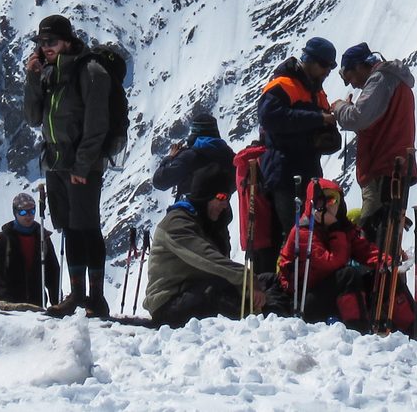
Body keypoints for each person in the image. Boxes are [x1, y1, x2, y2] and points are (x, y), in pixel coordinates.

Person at [23, 13, 112, 316]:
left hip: (81, 166)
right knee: (71, 229)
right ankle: (77, 295)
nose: (45, 47)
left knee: (88, 227)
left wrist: (82, 166)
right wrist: (33, 78)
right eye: (41, 42)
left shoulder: (90, 72)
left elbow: (96, 124)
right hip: (57, 164)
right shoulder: (49, 74)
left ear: (67, 41)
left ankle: (96, 298)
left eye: (51, 41)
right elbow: (34, 117)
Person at [276, 178, 414, 332]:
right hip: (305, 302)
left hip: (333, 294)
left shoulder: (342, 227)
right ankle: (358, 331)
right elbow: (333, 262)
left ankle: (414, 330)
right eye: (325, 200)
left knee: (384, 276)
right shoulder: (303, 233)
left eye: (334, 199)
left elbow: (364, 250)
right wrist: (335, 229)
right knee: (348, 275)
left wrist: (389, 262)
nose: (331, 205)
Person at [255, 37, 341, 267]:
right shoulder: (282, 85)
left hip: (308, 174)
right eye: (325, 66)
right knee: (292, 234)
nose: (327, 72)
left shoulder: (317, 93)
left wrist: (328, 129)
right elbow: (270, 118)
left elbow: (326, 132)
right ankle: (286, 288)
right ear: (310, 61)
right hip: (284, 173)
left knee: (308, 233)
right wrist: (317, 119)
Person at [332, 43, 417, 250]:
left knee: (374, 234)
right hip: (395, 167)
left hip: (383, 169)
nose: (353, 84)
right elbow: (375, 120)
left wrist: (339, 108)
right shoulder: (395, 81)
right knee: (388, 233)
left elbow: (359, 118)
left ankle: (375, 278)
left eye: (350, 77)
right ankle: (388, 276)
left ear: (360, 66)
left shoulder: (380, 79)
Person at [144, 166, 246, 327]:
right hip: (168, 305)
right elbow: (205, 257)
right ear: (204, 196)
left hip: (194, 291)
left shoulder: (208, 223)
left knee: (265, 282)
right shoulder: (177, 223)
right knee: (221, 293)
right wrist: (245, 278)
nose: (225, 205)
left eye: (227, 199)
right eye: (220, 197)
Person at [0, 190, 62, 309]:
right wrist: (2, 297)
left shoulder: (43, 238)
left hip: (37, 304)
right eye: (23, 212)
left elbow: (53, 273)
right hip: (9, 306)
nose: (28, 215)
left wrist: (57, 302)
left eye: (32, 211)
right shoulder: (3, 239)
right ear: (15, 213)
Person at [153, 104, 235, 201]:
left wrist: (170, 158)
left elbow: (160, 181)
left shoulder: (190, 157)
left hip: (190, 213)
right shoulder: (230, 156)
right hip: (221, 213)